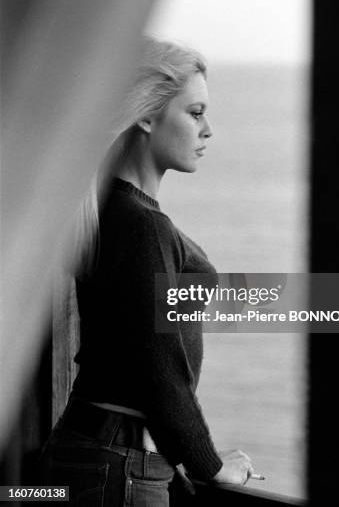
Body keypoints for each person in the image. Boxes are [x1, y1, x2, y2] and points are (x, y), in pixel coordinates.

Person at [39, 37, 254, 505]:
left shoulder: (112, 209)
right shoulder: (141, 226)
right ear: (147, 115)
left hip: (93, 454)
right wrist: (210, 466)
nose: (208, 130)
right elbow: (158, 367)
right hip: (116, 465)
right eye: (195, 113)